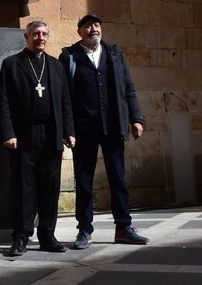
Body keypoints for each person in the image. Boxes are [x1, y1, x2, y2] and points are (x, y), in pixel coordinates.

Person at [59, 13, 149, 249]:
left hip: (113, 126)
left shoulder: (115, 55)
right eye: (87, 26)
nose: (93, 29)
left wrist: (136, 118)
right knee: (84, 181)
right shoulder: (69, 56)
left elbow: (128, 89)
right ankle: (84, 230)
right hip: (83, 129)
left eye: (97, 25)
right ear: (80, 32)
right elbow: (64, 98)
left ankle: (123, 227)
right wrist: (67, 129)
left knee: (118, 178)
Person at [0, 20, 76, 257]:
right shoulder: (12, 64)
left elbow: (65, 101)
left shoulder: (55, 66)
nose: (40, 38)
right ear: (26, 37)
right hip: (23, 136)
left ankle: (47, 235)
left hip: (51, 134)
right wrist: (8, 133)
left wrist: (68, 130)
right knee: (23, 188)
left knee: (50, 188)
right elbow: (3, 102)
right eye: (35, 34)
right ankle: (21, 236)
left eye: (44, 34)